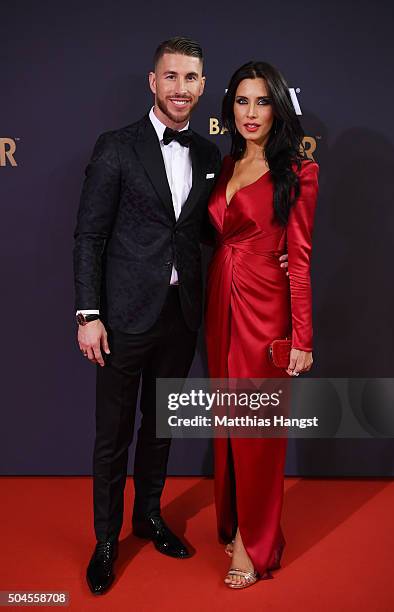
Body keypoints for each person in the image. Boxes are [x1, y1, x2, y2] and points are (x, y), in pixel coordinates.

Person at [73, 36, 222, 595]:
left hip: (180, 318)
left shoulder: (208, 155)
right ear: (152, 82)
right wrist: (89, 314)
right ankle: (107, 540)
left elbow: (208, 233)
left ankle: (149, 516)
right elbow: (88, 236)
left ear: (203, 86)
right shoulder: (116, 147)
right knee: (111, 436)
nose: (181, 89)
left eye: (192, 78)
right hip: (122, 318)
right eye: (171, 77)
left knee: (159, 429)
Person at [205, 61, 319, 589]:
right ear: (231, 107)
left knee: (257, 433)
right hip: (220, 308)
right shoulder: (227, 166)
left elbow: (299, 258)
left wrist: (302, 337)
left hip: (264, 310)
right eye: (242, 102)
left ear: (278, 106)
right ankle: (233, 524)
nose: (251, 113)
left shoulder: (298, 172)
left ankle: (257, 545)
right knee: (228, 428)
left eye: (262, 102)